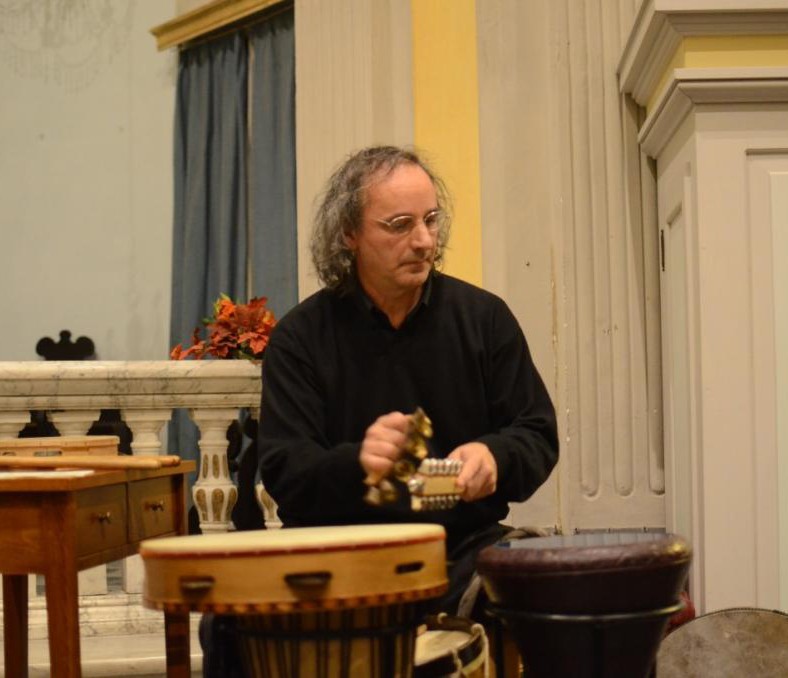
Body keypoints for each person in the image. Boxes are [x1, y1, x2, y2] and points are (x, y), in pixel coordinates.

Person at [201, 145, 558, 676]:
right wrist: (357, 464)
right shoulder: (301, 338)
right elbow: (284, 468)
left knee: (546, 589)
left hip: (456, 552)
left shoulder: (484, 319)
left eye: (431, 220)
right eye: (399, 225)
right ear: (349, 233)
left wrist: (494, 456)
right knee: (225, 623)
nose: (424, 240)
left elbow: (536, 432)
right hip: (337, 557)